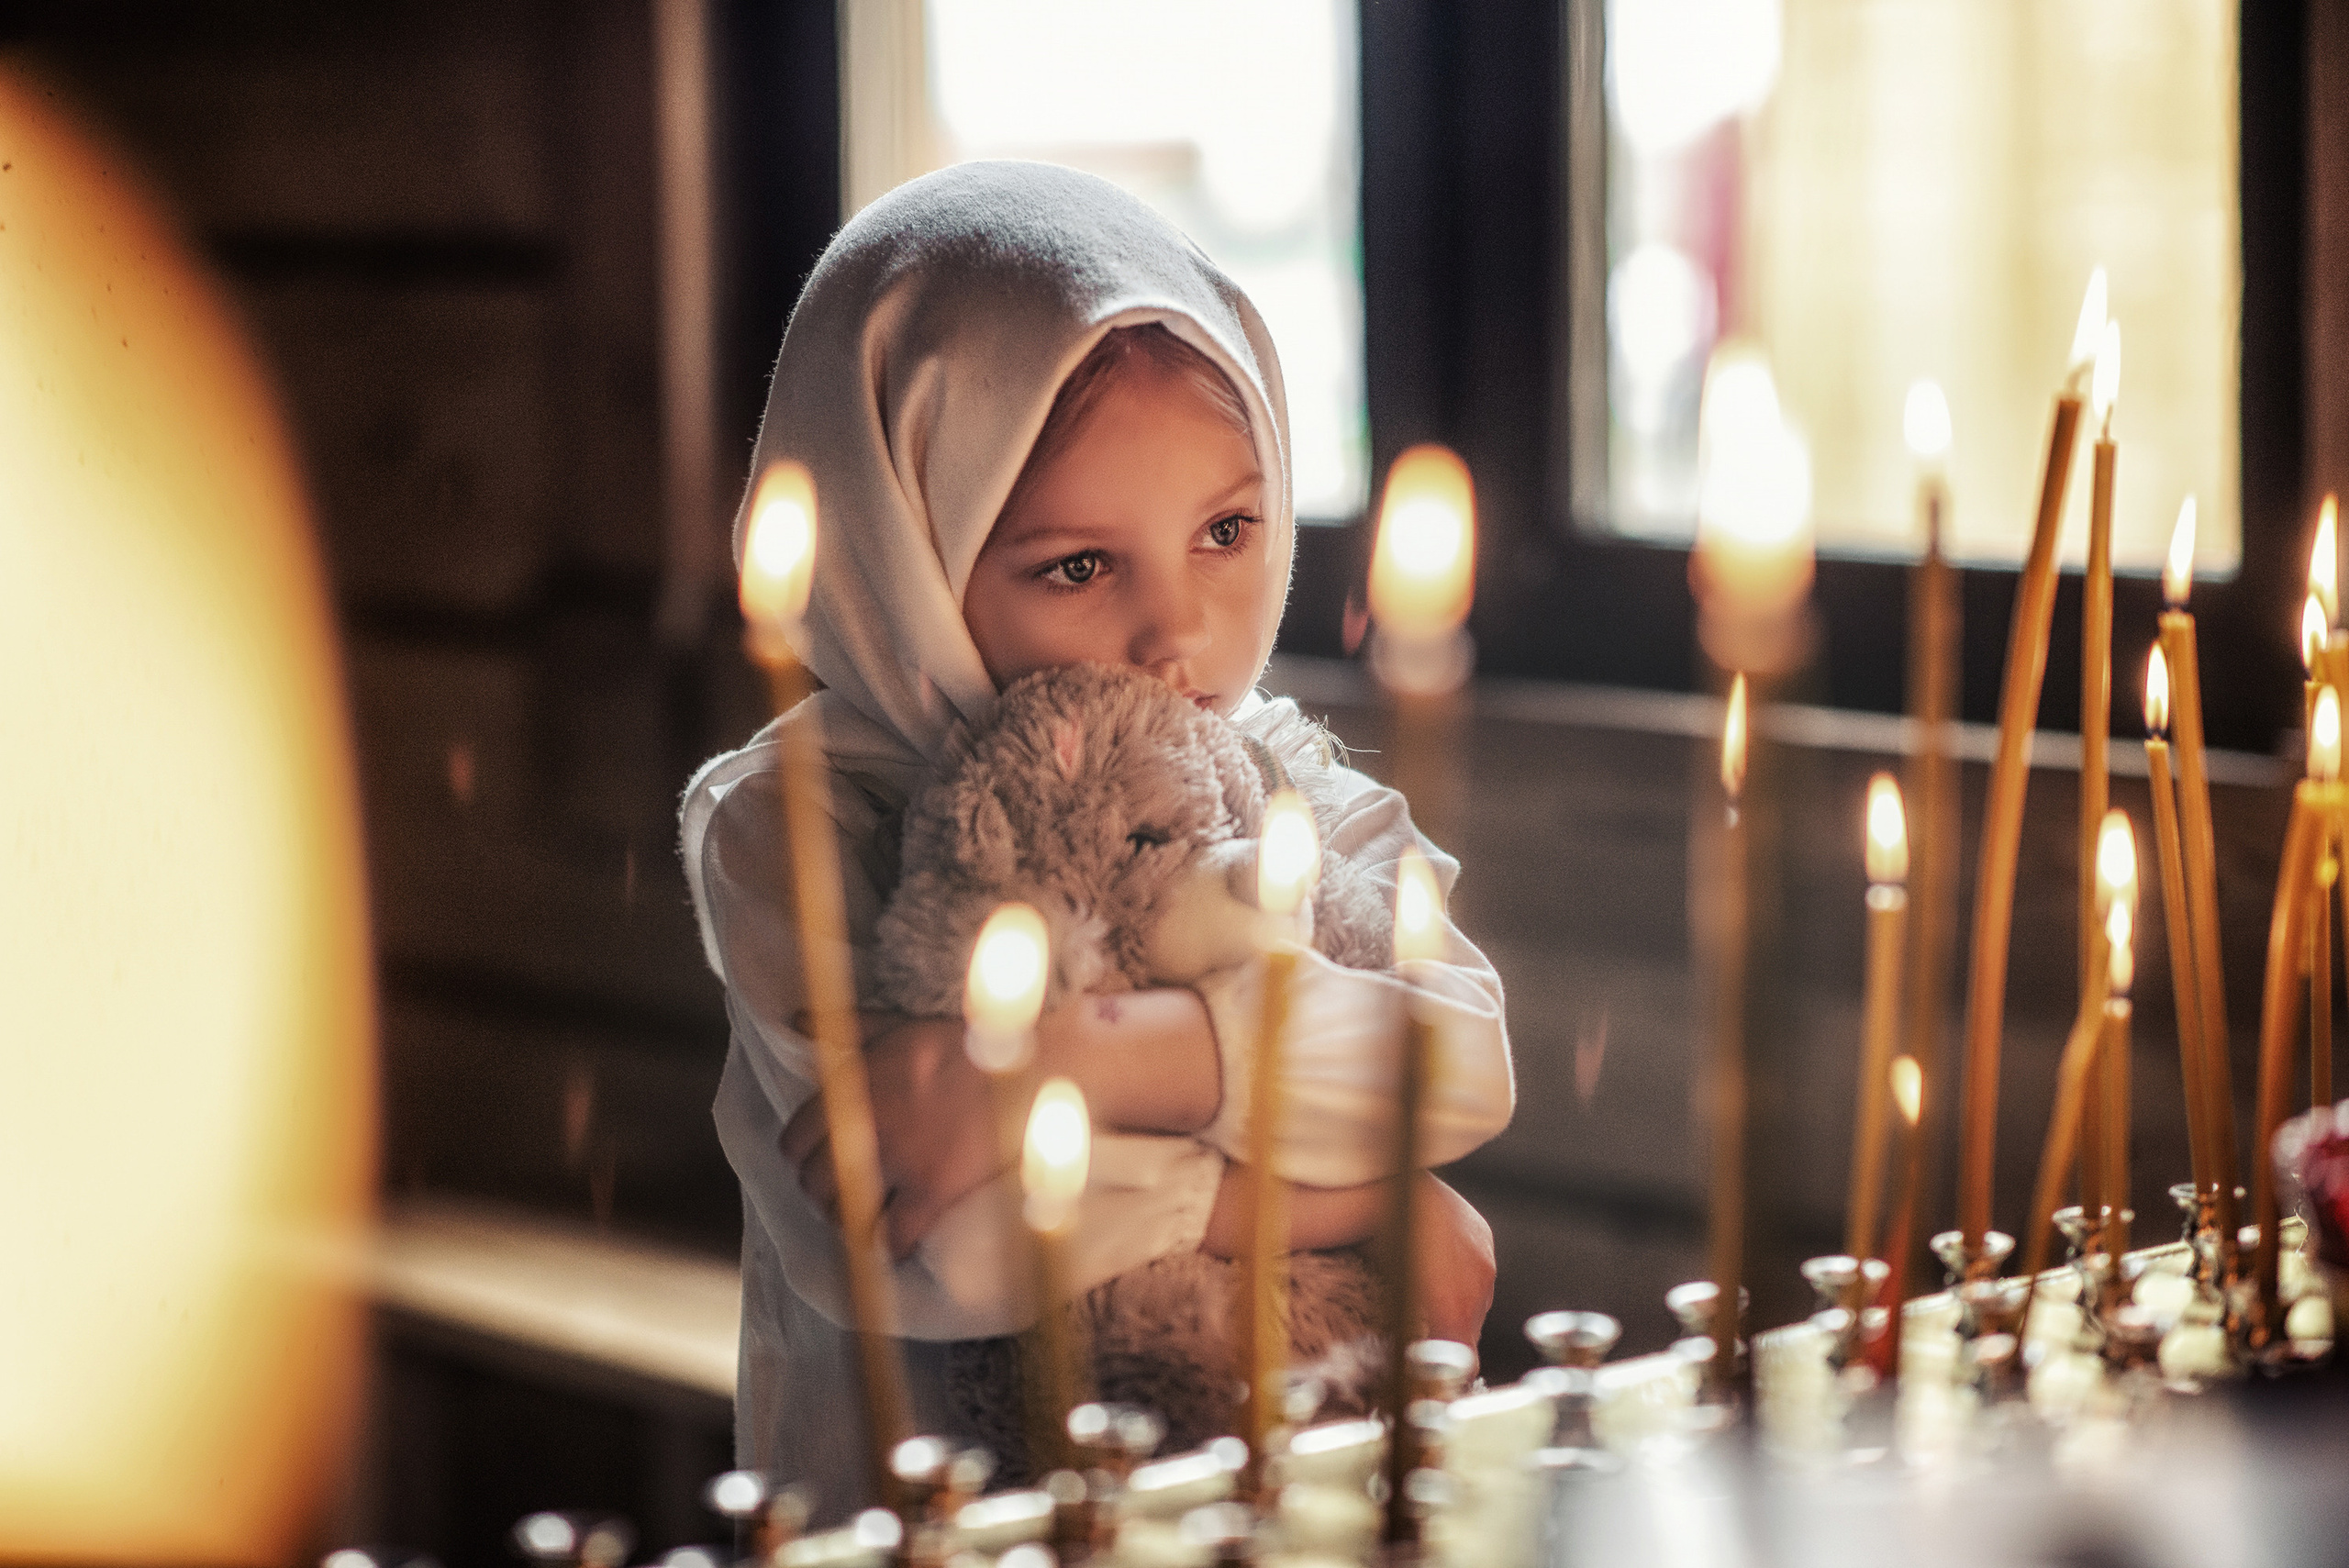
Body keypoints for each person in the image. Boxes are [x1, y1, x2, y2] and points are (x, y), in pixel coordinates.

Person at [678, 161, 1514, 1518]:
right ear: (905, 547)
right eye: (1079, 564)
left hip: (1260, 1506)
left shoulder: (1279, 778)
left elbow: (1463, 1056)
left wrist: (1054, 1066)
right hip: (928, 1521)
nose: (1179, 635)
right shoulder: (791, 829)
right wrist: (1361, 1202)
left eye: (1226, 531)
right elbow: (951, 1246)